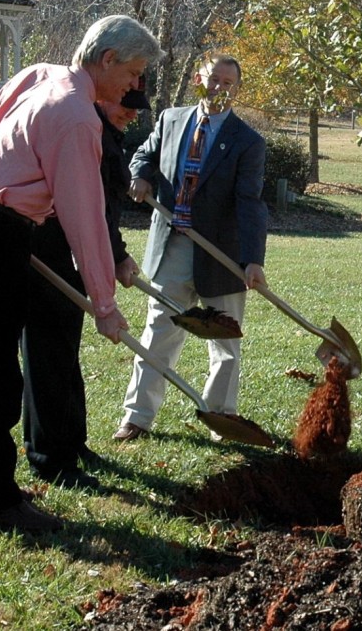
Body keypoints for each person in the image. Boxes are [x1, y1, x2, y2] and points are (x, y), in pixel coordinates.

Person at [0, 15, 163, 534]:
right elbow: (84, 219)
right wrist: (104, 306)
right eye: (133, 73)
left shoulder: (40, 74)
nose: (135, 85)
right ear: (106, 59)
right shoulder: (77, 117)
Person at [115, 54, 268, 441]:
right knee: (159, 333)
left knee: (225, 341)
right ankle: (137, 417)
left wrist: (253, 260)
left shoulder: (247, 142)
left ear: (237, 90)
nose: (219, 88)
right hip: (173, 246)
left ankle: (221, 419)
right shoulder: (171, 119)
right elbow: (144, 155)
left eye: (228, 83)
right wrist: (140, 175)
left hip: (222, 255)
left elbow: (250, 203)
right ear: (199, 79)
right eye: (214, 79)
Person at [20, 81, 151, 490]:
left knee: (65, 353)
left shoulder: (105, 132)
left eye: (136, 107)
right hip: (48, 247)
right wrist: (112, 257)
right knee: (47, 355)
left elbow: (103, 209)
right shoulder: (82, 128)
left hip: (72, 251)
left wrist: (117, 255)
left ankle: (71, 443)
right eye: (125, 103)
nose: (132, 113)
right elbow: (87, 208)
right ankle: (48, 456)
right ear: (102, 93)